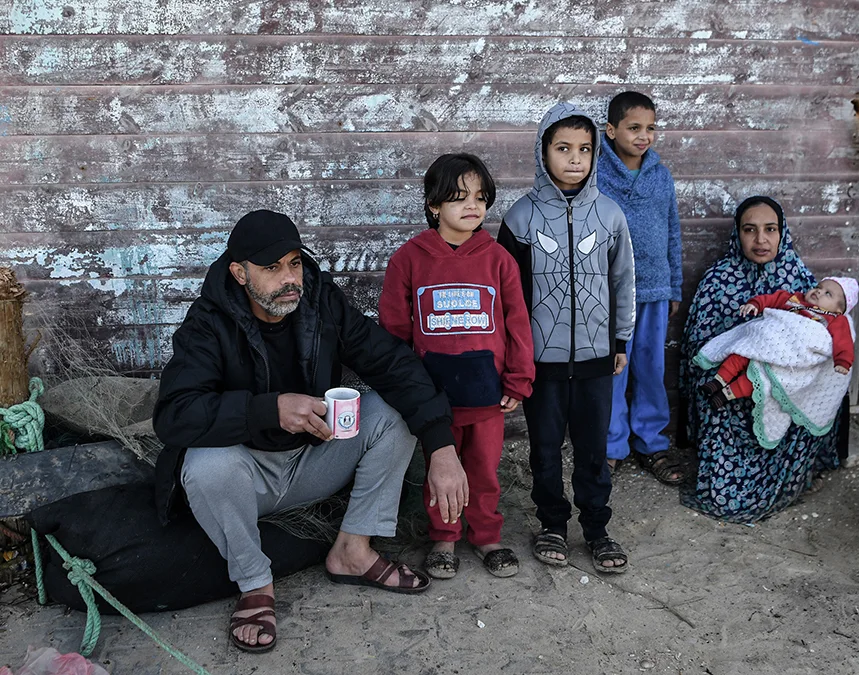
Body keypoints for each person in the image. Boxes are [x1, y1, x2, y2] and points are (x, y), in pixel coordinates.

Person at [153, 210, 469, 654]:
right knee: (205, 466)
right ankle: (256, 584)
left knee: (393, 414)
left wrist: (441, 446)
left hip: (315, 459)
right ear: (239, 273)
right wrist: (269, 409)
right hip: (248, 475)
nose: (289, 279)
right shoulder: (208, 322)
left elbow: (392, 364)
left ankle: (353, 550)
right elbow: (175, 415)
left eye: (295, 263)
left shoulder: (321, 302)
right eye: (272, 268)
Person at [378, 154, 535, 580]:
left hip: (487, 391)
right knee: (440, 469)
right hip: (436, 395)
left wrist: (519, 379)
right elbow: (393, 331)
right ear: (433, 205)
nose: (473, 206)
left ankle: (486, 536)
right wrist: (408, 388)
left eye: (481, 198)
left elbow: (518, 321)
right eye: (460, 197)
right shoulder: (409, 259)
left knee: (484, 470)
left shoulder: (498, 258)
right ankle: (444, 536)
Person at [498, 102, 636, 574]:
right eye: (563, 148)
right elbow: (507, 298)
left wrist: (620, 341)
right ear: (542, 153)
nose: (575, 158)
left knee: (594, 449)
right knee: (544, 447)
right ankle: (552, 522)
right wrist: (515, 357)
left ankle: (597, 528)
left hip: (598, 357)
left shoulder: (611, 215)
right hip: (542, 360)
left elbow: (623, 281)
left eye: (584, 149)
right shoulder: (520, 218)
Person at [679, 196, 840, 523]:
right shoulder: (718, 280)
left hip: (784, 379)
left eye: (770, 229)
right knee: (715, 393)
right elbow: (698, 343)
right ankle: (726, 482)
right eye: (749, 230)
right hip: (731, 379)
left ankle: (786, 474)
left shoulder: (800, 279)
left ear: (783, 233)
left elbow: (824, 336)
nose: (761, 240)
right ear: (737, 234)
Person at [596, 90, 685, 485]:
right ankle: (611, 446)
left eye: (650, 128)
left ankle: (652, 442)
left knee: (650, 368)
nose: (643, 136)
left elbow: (672, 233)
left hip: (654, 290)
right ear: (611, 130)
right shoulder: (596, 174)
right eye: (634, 128)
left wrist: (674, 286)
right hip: (611, 294)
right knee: (612, 370)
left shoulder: (660, 175)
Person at [699, 276, 859, 408]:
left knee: (761, 380)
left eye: (828, 294)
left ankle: (727, 394)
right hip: (765, 340)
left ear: (839, 310)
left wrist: (843, 361)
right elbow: (773, 299)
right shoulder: (795, 300)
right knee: (741, 352)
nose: (819, 291)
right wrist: (756, 304)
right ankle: (719, 380)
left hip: (789, 359)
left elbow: (843, 341)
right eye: (818, 286)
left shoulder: (835, 320)